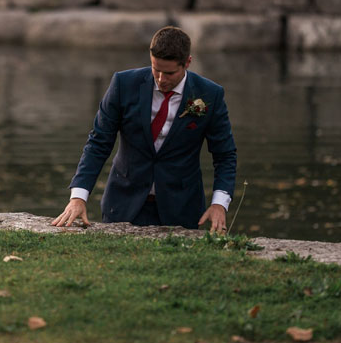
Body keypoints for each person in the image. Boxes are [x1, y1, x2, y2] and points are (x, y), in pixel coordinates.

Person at [52, 26, 236, 232]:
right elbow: (98, 143)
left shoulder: (210, 94)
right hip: (123, 203)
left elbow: (225, 155)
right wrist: (78, 196)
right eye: (155, 69)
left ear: (188, 63)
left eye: (169, 73)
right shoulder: (123, 84)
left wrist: (219, 203)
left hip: (182, 207)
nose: (160, 79)